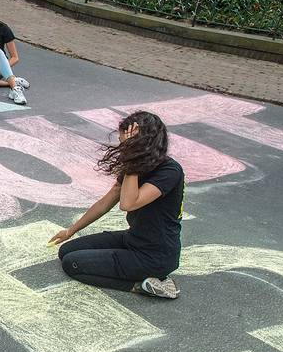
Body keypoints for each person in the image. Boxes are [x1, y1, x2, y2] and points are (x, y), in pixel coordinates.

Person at [49, 111, 185, 298]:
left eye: (126, 143)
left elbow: (128, 203)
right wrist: (71, 230)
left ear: (142, 143)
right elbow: (106, 202)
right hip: (135, 239)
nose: (122, 147)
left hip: (155, 255)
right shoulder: (141, 166)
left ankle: (143, 285)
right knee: (66, 250)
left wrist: (132, 158)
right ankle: (139, 275)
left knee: (72, 264)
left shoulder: (170, 170)